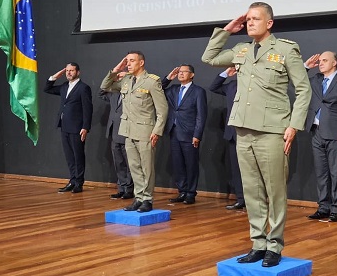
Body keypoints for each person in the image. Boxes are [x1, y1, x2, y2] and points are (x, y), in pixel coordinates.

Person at [201, 2, 311, 267]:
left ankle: (275, 245)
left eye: (255, 19)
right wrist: (227, 30)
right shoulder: (241, 50)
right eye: (248, 19)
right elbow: (210, 58)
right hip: (243, 128)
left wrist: (293, 125)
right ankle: (258, 243)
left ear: (269, 23)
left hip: (273, 129)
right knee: (251, 191)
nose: (250, 23)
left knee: (274, 191)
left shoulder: (285, 50)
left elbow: (304, 89)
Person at [100, 51, 168, 213]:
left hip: (145, 130)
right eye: (127, 61)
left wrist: (157, 131)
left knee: (146, 168)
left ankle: (147, 199)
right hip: (127, 130)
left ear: (141, 62)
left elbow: (162, 110)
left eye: (131, 61)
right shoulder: (126, 80)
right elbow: (105, 86)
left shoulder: (152, 82)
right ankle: (138, 198)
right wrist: (117, 68)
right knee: (134, 167)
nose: (128, 64)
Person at [303, 51, 337, 222]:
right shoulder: (316, 80)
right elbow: (298, 83)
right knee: (321, 173)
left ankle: (336, 208)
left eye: (325, 60)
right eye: (320, 61)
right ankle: (323, 207)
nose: (321, 63)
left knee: (335, 172)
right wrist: (305, 67)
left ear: (334, 63)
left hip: (336, 132)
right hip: (316, 131)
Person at [161, 64, 207, 205]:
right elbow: (158, 89)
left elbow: (201, 115)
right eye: (179, 72)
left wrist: (197, 134)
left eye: (184, 72)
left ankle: (191, 193)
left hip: (189, 133)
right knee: (178, 164)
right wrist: (169, 77)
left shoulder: (198, 91)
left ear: (192, 74)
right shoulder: (173, 90)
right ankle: (182, 191)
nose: (180, 74)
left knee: (191, 164)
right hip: (174, 131)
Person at [44, 62, 93, 193]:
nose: (69, 73)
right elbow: (47, 89)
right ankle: (72, 180)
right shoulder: (65, 86)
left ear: (78, 72)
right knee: (69, 156)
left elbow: (88, 109)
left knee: (78, 156)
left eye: (72, 70)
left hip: (77, 127)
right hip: (64, 126)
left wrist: (85, 127)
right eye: (67, 71)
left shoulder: (83, 88)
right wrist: (55, 76)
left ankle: (79, 182)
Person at [208, 66, 246, 210]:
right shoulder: (231, 85)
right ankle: (241, 199)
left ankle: (257, 201)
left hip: (250, 132)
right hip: (232, 134)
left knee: (253, 171)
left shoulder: (257, 85)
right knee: (236, 169)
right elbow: (214, 87)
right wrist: (225, 74)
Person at [99, 89, 134, 200]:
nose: (119, 80)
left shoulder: (132, 94)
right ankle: (121, 188)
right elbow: (101, 93)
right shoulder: (114, 94)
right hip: (114, 133)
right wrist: (113, 74)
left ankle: (129, 190)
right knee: (118, 163)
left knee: (129, 164)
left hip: (127, 133)